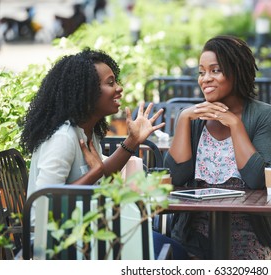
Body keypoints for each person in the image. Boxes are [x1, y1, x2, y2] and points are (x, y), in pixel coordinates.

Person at [20, 48, 188, 259]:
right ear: (87, 92)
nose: (119, 88)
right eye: (110, 83)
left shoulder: (86, 131)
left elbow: (103, 175)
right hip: (55, 244)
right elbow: (45, 206)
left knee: (171, 247)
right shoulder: (63, 138)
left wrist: (133, 140)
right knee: (169, 252)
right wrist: (95, 172)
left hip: (85, 233)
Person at [164, 35, 271, 259]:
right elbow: (176, 176)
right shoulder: (195, 119)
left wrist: (235, 124)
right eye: (201, 72)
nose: (205, 79)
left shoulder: (266, 116)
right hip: (195, 232)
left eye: (215, 70)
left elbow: (257, 179)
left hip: (251, 232)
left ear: (236, 72)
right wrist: (183, 119)